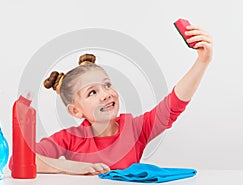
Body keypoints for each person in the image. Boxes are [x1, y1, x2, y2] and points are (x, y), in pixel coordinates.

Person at [36, 25, 213, 175]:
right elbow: (22, 159)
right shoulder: (70, 138)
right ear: (75, 110)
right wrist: (70, 167)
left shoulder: (135, 129)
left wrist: (202, 62)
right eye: (92, 92)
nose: (106, 94)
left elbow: (173, 105)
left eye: (107, 85)